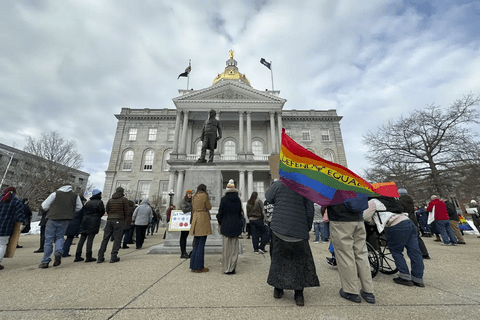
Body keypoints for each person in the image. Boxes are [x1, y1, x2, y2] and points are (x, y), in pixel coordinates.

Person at [265, 180, 319, 307]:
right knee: (299, 262)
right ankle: (299, 294)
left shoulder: (279, 184)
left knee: (278, 260)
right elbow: (309, 210)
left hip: (279, 228)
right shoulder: (305, 186)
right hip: (298, 230)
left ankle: (278, 289)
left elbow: (268, 198)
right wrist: (307, 227)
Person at [364, 196, 425, 287]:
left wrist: (374, 222)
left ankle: (404, 276)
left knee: (396, 251)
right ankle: (418, 278)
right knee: (414, 251)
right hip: (408, 222)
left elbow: (365, 216)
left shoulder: (373, 202)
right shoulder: (392, 200)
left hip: (395, 224)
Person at [326, 197, 375, 304]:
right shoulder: (355, 183)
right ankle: (368, 291)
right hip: (358, 219)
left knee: (345, 255)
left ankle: (351, 291)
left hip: (340, 220)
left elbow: (324, 201)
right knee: (362, 254)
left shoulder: (334, 184)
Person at [39, 185, 82, 268]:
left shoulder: (55, 194)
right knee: (60, 237)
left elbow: (44, 205)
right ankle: (58, 252)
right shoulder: (75, 196)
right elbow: (79, 207)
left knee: (49, 239)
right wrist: (70, 211)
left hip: (52, 218)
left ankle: (45, 260)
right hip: (65, 219)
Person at [216, 180, 243, 274]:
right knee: (234, 249)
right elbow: (240, 213)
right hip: (236, 225)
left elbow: (220, 213)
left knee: (226, 248)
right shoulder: (238, 199)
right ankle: (232, 267)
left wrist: (220, 222)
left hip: (226, 224)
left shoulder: (224, 199)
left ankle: (227, 268)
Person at [97, 187, 129, 263]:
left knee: (105, 238)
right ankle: (113, 256)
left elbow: (107, 210)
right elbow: (126, 211)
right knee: (117, 239)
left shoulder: (110, 200)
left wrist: (111, 215)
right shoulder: (124, 200)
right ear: (122, 192)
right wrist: (122, 218)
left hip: (109, 220)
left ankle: (100, 257)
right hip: (119, 220)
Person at [398, 188, 430, 259]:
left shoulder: (401, 201)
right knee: (417, 236)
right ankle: (424, 252)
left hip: (406, 219)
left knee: (407, 238)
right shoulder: (410, 199)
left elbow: (400, 209)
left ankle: (414, 253)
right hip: (413, 219)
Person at [75, 189, 105, 262]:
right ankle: (88, 256)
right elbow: (102, 212)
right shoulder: (99, 202)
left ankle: (77, 256)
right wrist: (97, 217)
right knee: (90, 239)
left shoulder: (88, 202)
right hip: (94, 221)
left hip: (85, 220)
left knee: (82, 238)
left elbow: (83, 211)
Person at [0, 187, 26, 270]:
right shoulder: (16, 201)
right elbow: (20, 215)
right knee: (2, 244)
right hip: (6, 226)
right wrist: (22, 224)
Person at [189, 184, 212, 273]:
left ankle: (193, 266)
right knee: (201, 245)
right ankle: (199, 267)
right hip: (202, 218)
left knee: (196, 244)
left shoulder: (195, 196)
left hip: (196, 219)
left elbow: (193, 207)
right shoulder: (205, 196)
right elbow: (209, 207)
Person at [180, 189, 193, 259]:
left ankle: (185, 252)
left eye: (191, 194)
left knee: (186, 236)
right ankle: (183, 252)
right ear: (186, 194)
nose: (190, 195)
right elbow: (184, 209)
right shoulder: (183, 201)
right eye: (189, 194)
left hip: (189, 221)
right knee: (183, 236)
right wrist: (191, 208)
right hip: (184, 221)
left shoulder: (192, 201)